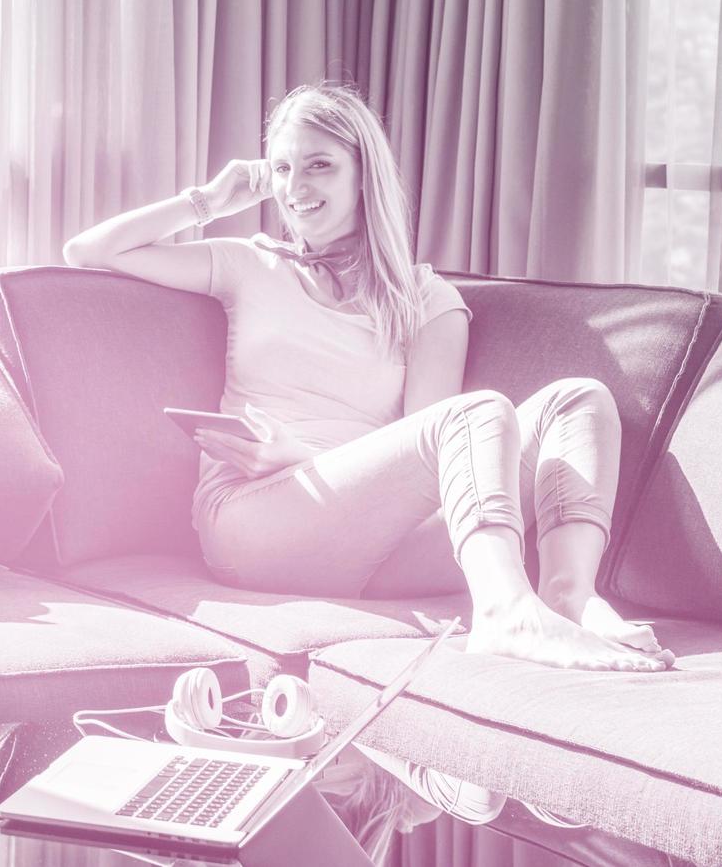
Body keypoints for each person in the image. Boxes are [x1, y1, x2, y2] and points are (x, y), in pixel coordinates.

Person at [62, 82, 671, 672]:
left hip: (383, 543)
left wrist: (307, 454)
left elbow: (429, 453)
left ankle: (566, 599)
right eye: (280, 169)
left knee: (579, 400)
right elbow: (89, 251)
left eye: (318, 165)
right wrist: (209, 201)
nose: (295, 188)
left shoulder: (425, 298)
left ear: (363, 173)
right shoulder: (248, 264)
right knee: (481, 411)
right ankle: (505, 611)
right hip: (257, 518)